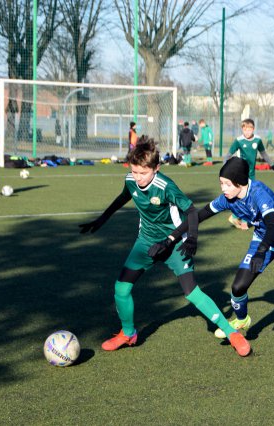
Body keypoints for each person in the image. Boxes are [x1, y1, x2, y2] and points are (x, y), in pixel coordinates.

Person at [79, 136, 251, 357]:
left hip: (175, 243)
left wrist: (192, 239)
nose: (138, 178)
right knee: (121, 288)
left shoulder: (165, 186)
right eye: (134, 172)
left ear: (156, 168)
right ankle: (128, 333)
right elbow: (123, 197)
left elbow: (191, 212)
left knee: (192, 292)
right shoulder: (131, 180)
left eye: (143, 173)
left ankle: (232, 334)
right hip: (146, 242)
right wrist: (101, 220)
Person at [153, 157, 274, 339]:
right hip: (263, 239)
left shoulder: (259, 194)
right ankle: (242, 319)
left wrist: (261, 252)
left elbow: (273, 226)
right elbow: (198, 216)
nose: (223, 189)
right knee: (238, 287)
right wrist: (170, 239)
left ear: (240, 182)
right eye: (221, 183)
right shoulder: (227, 198)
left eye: (227, 184)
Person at [225, 118, 274, 229]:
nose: (247, 132)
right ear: (242, 129)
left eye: (249, 130)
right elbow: (228, 154)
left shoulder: (257, 140)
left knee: (249, 195)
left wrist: (272, 165)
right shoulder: (238, 140)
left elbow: (264, 153)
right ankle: (242, 219)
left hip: (252, 173)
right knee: (246, 195)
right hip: (241, 172)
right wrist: (226, 167)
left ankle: (237, 217)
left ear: (253, 129)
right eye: (245, 130)